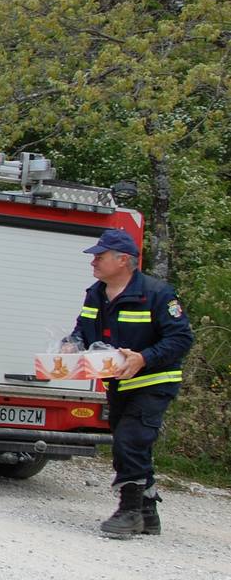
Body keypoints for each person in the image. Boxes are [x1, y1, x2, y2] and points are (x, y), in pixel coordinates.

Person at [70, 228, 193, 539]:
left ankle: (129, 513)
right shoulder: (96, 292)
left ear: (123, 260)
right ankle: (148, 511)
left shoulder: (158, 294)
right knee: (132, 445)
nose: (93, 262)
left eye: (100, 256)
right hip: (118, 383)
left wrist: (144, 358)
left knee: (131, 440)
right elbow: (83, 329)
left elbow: (180, 338)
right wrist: (70, 345)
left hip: (153, 381)